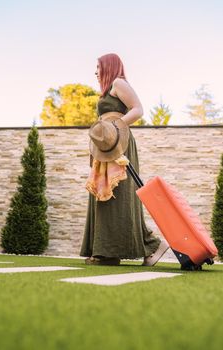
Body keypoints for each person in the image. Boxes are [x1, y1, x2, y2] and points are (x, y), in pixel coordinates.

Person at [80, 53, 169, 265]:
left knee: (120, 196)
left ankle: (153, 246)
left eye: (98, 67)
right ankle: (107, 253)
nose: (95, 72)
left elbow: (138, 109)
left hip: (119, 145)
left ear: (109, 66)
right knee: (103, 194)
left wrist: (115, 126)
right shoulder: (107, 90)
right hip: (106, 146)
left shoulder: (118, 83)